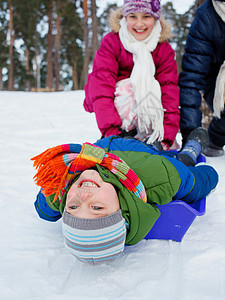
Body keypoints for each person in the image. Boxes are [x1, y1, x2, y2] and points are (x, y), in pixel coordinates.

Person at [31, 128, 218, 265]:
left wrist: (47, 209)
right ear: (123, 211)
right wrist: (200, 175)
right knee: (182, 163)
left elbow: (44, 205)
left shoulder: (66, 184)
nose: (83, 196)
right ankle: (191, 149)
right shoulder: (159, 176)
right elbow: (200, 181)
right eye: (96, 208)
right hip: (143, 153)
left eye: (73, 207)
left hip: (106, 143)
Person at [84, 0, 180, 150]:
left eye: (146, 16)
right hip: (117, 112)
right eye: (133, 16)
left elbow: (170, 92)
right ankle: (123, 135)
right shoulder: (112, 42)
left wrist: (166, 138)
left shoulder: (163, 49)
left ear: (155, 18)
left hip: (147, 112)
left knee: (153, 88)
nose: (139, 24)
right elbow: (101, 86)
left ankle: (151, 138)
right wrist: (111, 133)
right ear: (125, 18)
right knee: (127, 87)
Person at [179, 0, 225, 156]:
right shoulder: (208, 16)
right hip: (219, 86)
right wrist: (191, 136)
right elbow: (192, 77)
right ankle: (216, 137)